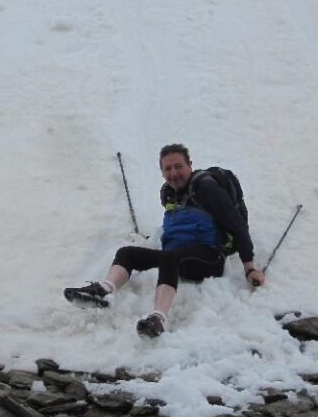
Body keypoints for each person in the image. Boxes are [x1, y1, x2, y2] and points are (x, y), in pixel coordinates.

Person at [64, 143, 263, 338]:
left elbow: (237, 226)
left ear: (190, 165)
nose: (173, 173)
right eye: (167, 168)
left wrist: (249, 268)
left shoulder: (206, 188)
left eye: (179, 166)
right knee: (127, 253)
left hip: (210, 258)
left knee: (170, 257)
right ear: (161, 172)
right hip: (177, 257)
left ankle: (158, 318)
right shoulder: (168, 193)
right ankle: (103, 291)